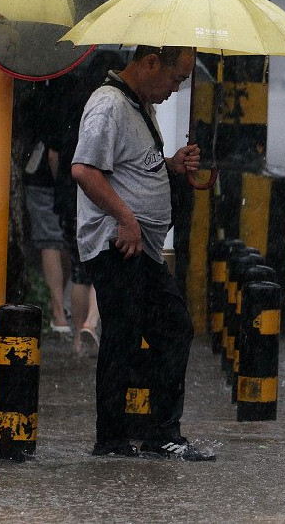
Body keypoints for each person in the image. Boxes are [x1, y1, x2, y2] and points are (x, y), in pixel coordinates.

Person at [72, 45, 213, 461]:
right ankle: (112, 439)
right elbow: (84, 170)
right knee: (124, 335)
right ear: (151, 63)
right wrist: (126, 218)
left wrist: (170, 165)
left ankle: (159, 434)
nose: (175, 89)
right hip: (116, 242)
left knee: (172, 329)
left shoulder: (140, 106)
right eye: (175, 78)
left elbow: (135, 164)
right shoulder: (108, 105)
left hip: (141, 248)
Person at [54, 52, 121, 357]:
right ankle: (92, 323)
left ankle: (79, 340)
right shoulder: (112, 106)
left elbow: (57, 153)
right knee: (101, 262)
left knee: (80, 271)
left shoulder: (71, 102)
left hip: (69, 196)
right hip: (97, 194)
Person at [22, 81, 71, 336]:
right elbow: (54, 152)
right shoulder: (73, 94)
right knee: (61, 241)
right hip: (60, 177)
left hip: (39, 173)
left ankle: (58, 310)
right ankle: (60, 309)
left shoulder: (40, 89)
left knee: (51, 240)